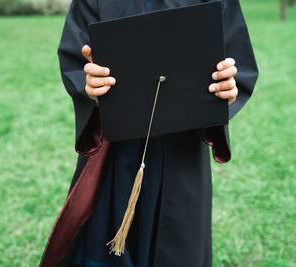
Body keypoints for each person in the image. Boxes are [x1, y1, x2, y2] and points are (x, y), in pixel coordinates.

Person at [40, 0, 258, 266]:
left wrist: (228, 88)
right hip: (116, 153)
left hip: (182, 154)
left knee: (178, 248)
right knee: (108, 242)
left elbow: (237, 62)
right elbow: (77, 57)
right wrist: (89, 83)